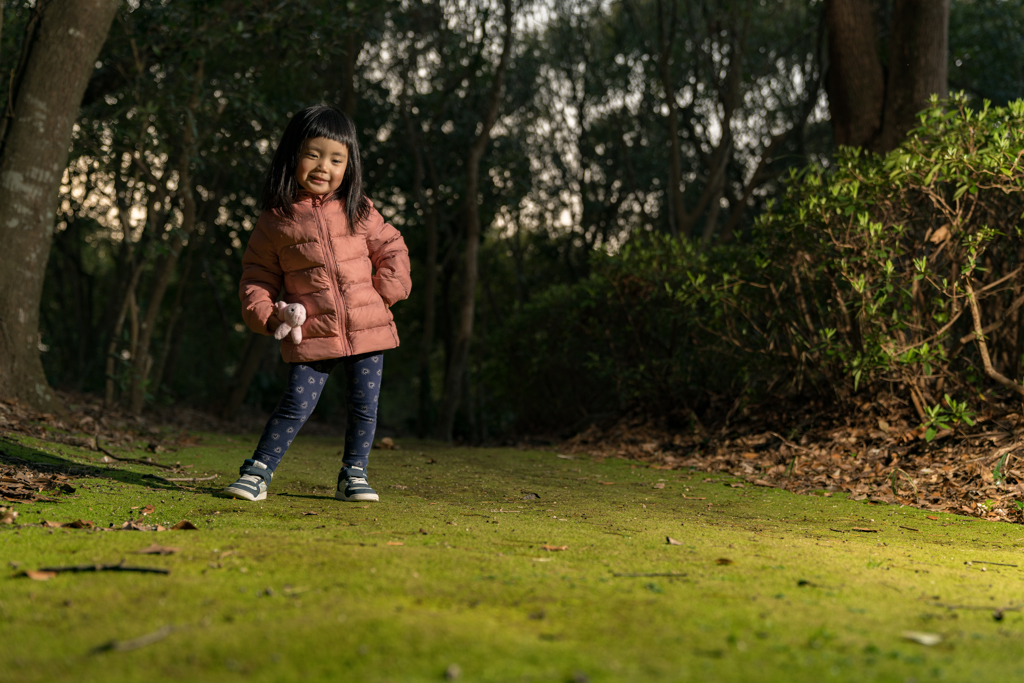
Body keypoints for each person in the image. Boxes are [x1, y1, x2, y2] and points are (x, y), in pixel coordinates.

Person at [223, 104, 411, 503]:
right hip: (311, 330)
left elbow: (391, 246)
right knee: (295, 404)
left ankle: (354, 475)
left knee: (364, 407)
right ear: (292, 155)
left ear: (350, 164)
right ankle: (258, 471)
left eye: (336, 158)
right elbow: (256, 278)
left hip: (368, 328)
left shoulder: (357, 208)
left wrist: (388, 290)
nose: (324, 166)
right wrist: (267, 314)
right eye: (313, 154)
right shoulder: (275, 220)